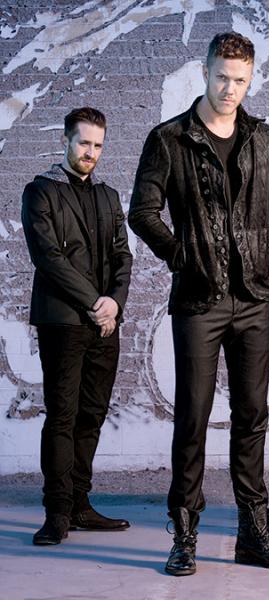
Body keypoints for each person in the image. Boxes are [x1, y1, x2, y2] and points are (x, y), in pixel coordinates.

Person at [129, 32, 269, 574]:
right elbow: (142, 212)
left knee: (252, 417)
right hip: (198, 302)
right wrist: (183, 256)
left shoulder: (260, 136)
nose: (230, 89)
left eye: (240, 80)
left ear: (251, 80)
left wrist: (263, 248)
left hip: (253, 299)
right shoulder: (169, 138)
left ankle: (254, 534)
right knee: (193, 418)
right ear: (204, 72)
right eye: (223, 77)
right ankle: (184, 537)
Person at [21, 107, 133, 545]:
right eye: (84, 143)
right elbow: (48, 257)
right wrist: (94, 303)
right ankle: (57, 513)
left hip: (105, 323)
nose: (91, 152)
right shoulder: (40, 191)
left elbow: (123, 256)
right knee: (62, 416)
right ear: (66, 140)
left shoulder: (108, 195)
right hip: (64, 321)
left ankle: (80, 505)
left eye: (98, 145)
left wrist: (114, 303)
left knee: (92, 415)